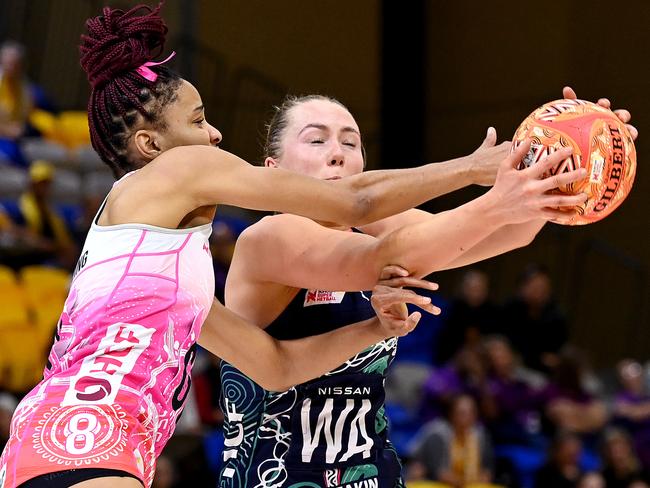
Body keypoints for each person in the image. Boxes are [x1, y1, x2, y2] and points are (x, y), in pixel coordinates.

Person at [0, 4, 466, 487]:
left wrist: (375, 329)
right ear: (151, 144)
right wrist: (478, 168)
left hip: (56, 436)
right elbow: (356, 201)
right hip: (92, 433)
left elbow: (275, 366)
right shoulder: (180, 168)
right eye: (199, 120)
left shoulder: (166, 274)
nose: (216, 134)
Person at [216, 85, 634, 487]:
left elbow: (503, 235)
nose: (337, 156)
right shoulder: (265, 239)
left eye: (350, 143)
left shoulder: (376, 227)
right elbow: (384, 258)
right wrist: (494, 197)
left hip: (371, 474)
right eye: (316, 141)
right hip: (276, 479)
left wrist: (565, 171)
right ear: (273, 172)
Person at [408, 394, 496, 487]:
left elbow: (487, 469)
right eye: (462, 413)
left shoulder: (480, 435)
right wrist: (465, 482)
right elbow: (439, 473)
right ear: (451, 414)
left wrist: (484, 477)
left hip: (469, 483)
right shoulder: (437, 435)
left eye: (472, 412)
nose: (468, 417)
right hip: (436, 483)